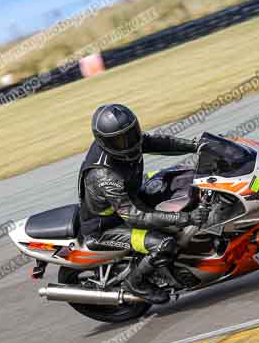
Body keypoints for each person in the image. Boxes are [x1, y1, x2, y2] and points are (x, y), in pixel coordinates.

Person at [77, 104, 209, 304]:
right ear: (105, 141)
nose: (127, 142)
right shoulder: (104, 175)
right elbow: (136, 217)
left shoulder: (129, 143)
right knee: (164, 243)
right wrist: (186, 218)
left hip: (131, 200)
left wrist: (196, 145)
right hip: (109, 227)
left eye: (130, 134)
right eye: (119, 140)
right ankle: (135, 282)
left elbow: (158, 142)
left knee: (182, 179)